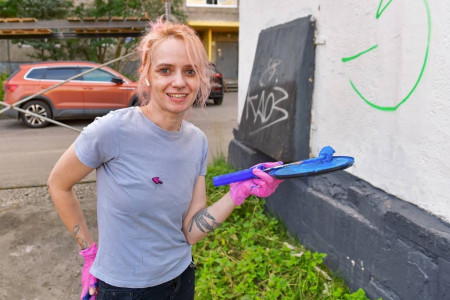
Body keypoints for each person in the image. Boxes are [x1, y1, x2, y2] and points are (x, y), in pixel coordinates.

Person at [47, 17, 283, 300]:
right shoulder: (112, 130)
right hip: (124, 290)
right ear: (146, 74)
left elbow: (190, 231)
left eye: (190, 71)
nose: (179, 82)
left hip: (181, 280)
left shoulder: (197, 141)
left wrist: (238, 192)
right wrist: (89, 253)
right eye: (165, 70)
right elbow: (58, 184)